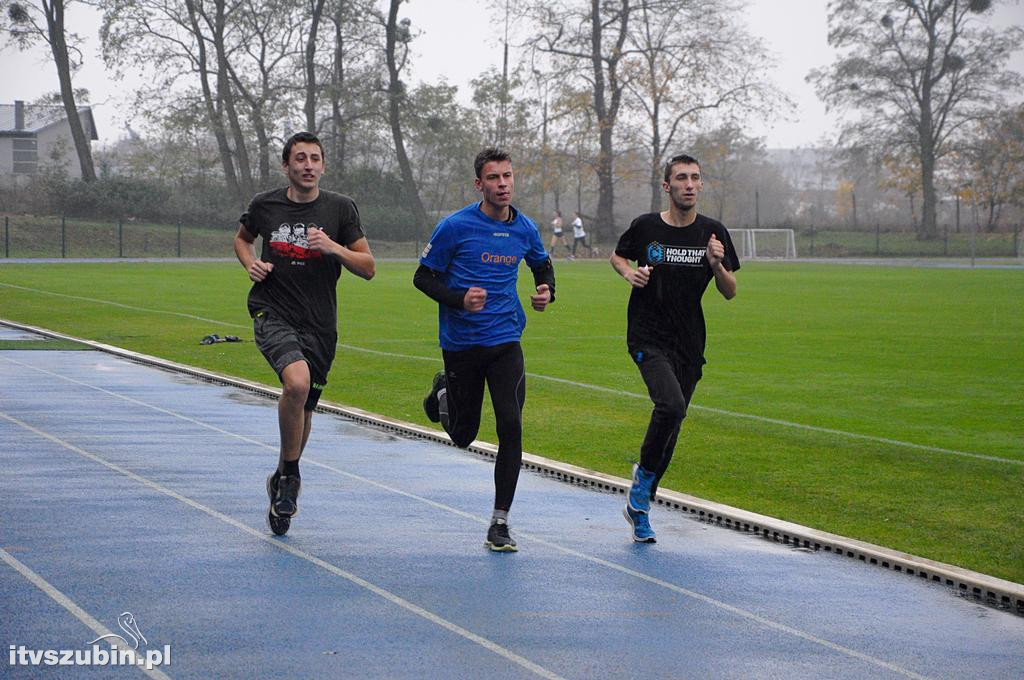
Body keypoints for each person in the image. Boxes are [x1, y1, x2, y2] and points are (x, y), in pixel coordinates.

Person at [233, 131, 376, 536]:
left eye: (315, 158)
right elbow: (244, 240)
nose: (308, 165)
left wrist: (334, 247)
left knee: (306, 404)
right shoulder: (265, 205)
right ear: (286, 166)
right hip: (273, 309)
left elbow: (368, 267)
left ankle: (281, 477)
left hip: (320, 323)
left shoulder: (340, 209)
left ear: (323, 165)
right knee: (296, 383)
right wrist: (250, 264)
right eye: (300, 158)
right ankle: (292, 475)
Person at [415, 147, 556, 552]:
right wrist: (459, 299)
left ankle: (500, 522)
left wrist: (547, 290)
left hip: (506, 340)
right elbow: (422, 278)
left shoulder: (524, 228)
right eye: (494, 178)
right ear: (480, 184)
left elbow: (541, 264)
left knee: (511, 426)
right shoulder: (455, 227)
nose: (502, 184)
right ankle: (442, 392)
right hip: (462, 345)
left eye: (507, 177)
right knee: (463, 435)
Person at [609, 153, 739, 543]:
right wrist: (628, 272)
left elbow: (730, 291)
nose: (688, 184)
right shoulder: (646, 227)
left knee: (673, 423)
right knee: (671, 406)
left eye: (694, 178)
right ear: (667, 186)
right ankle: (641, 487)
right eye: (680, 178)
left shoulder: (712, 233)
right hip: (648, 336)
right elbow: (617, 255)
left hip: (689, 341)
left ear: (700, 185)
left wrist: (717, 265)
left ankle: (639, 507)